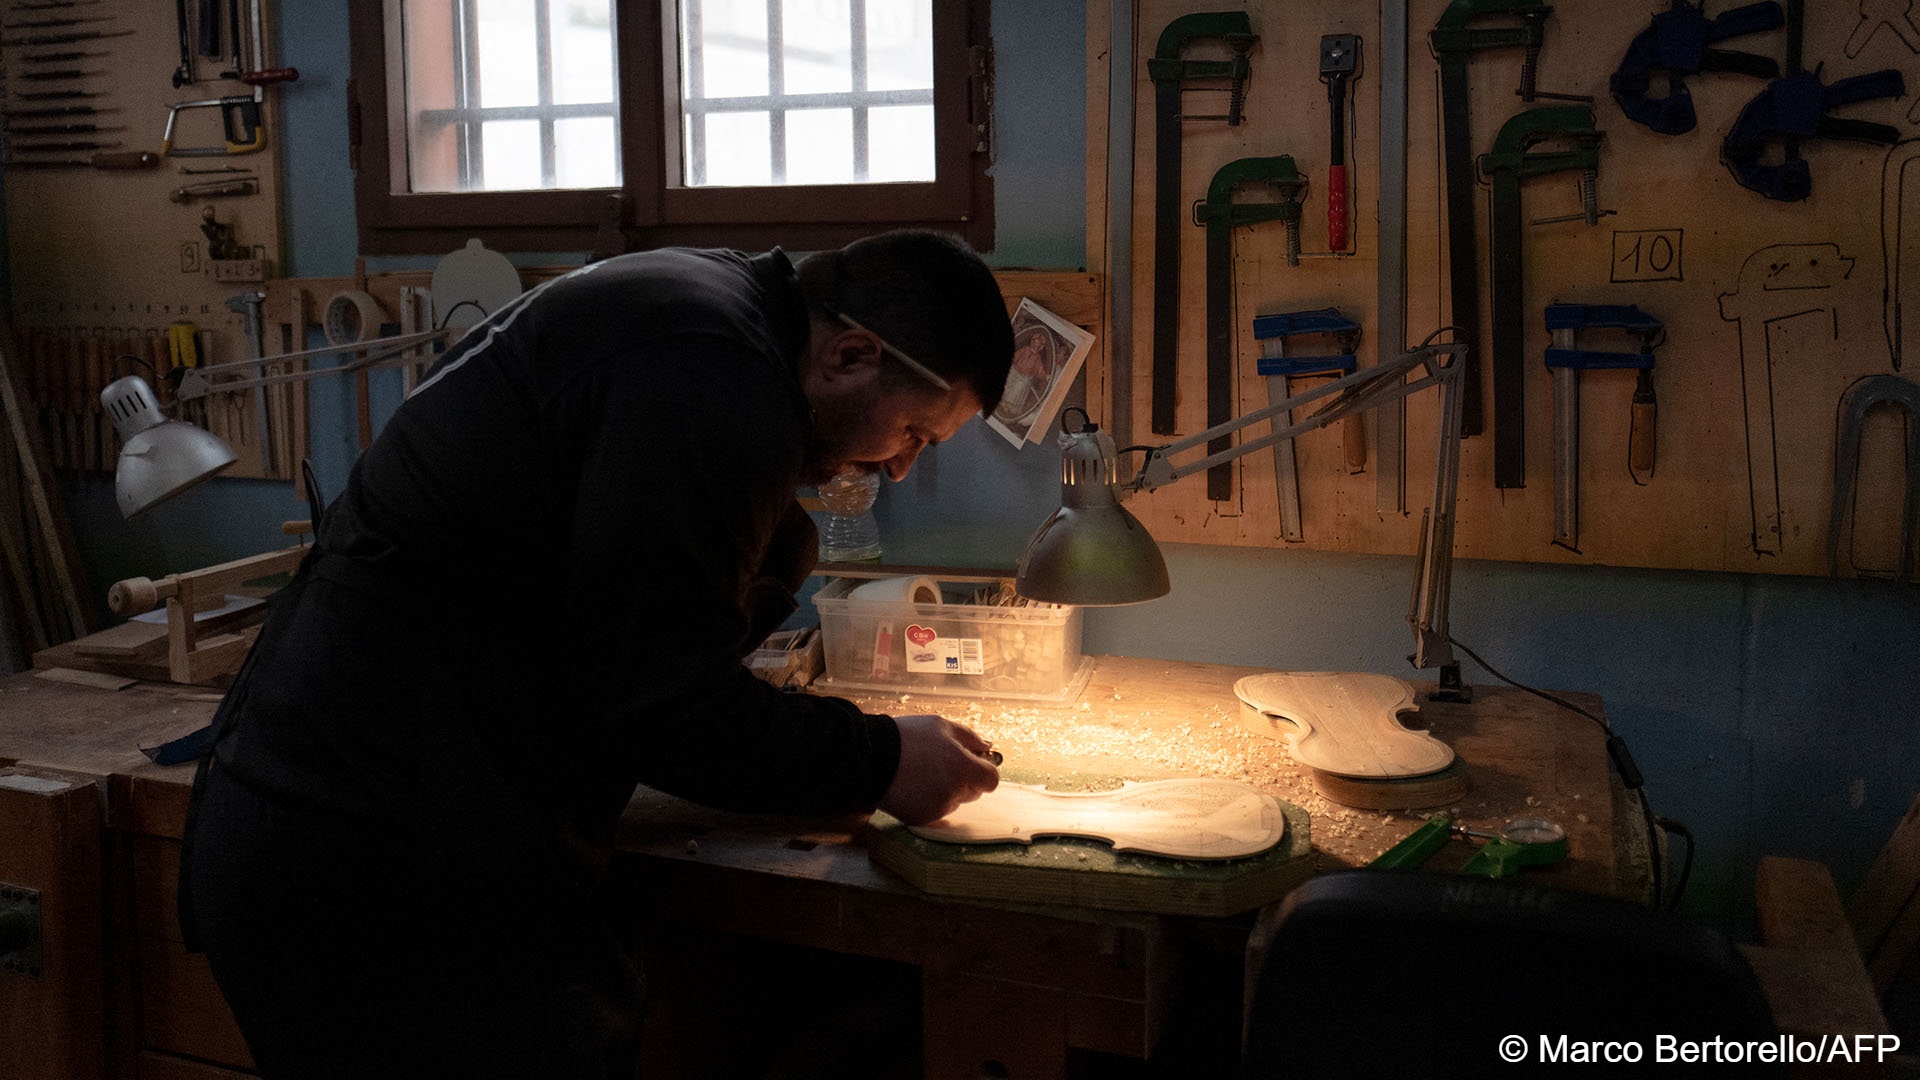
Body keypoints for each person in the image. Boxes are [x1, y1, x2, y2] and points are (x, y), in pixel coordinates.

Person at [179, 229, 1014, 1078]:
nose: (901, 468)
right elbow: (661, 704)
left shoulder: (711, 308)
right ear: (850, 353)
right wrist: (878, 758)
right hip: (372, 859)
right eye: (915, 432)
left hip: (354, 809)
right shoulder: (716, 378)